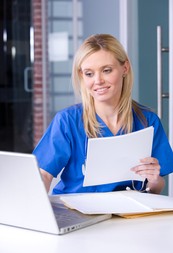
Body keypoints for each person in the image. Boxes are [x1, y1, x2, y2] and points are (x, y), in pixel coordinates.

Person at [33, 33, 173, 195]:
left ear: (125, 68)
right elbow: (43, 174)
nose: (98, 81)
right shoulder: (67, 121)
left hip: (125, 213)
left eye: (106, 70)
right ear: (81, 76)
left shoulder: (147, 120)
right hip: (76, 213)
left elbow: (155, 189)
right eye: (89, 73)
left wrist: (154, 180)